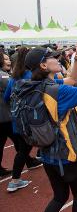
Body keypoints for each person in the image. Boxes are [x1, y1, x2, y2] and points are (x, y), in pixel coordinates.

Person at [23, 42, 77, 212]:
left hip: (47, 152)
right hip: (68, 153)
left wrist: (76, 60)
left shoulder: (36, 85)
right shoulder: (59, 91)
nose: (57, 59)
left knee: (59, 197)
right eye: (53, 57)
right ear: (43, 65)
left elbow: (72, 79)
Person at [4, 47, 43, 192]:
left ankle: (16, 179)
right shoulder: (33, 76)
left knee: (23, 148)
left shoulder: (13, 77)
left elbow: (6, 97)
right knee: (24, 150)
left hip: (17, 119)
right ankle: (14, 180)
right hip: (32, 120)